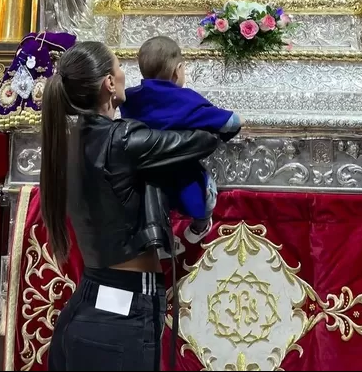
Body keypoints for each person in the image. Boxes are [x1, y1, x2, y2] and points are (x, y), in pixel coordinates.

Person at [41, 41, 218, 371]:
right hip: (120, 321)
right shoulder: (122, 140)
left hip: (89, 305)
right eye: (120, 67)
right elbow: (208, 136)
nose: (126, 75)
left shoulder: (71, 139)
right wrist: (174, 97)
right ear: (109, 83)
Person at [120, 36, 241, 243]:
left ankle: (159, 239)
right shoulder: (186, 100)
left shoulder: (129, 98)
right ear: (178, 70)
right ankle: (198, 228)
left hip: (141, 180)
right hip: (182, 177)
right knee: (201, 196)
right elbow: (231, 122)